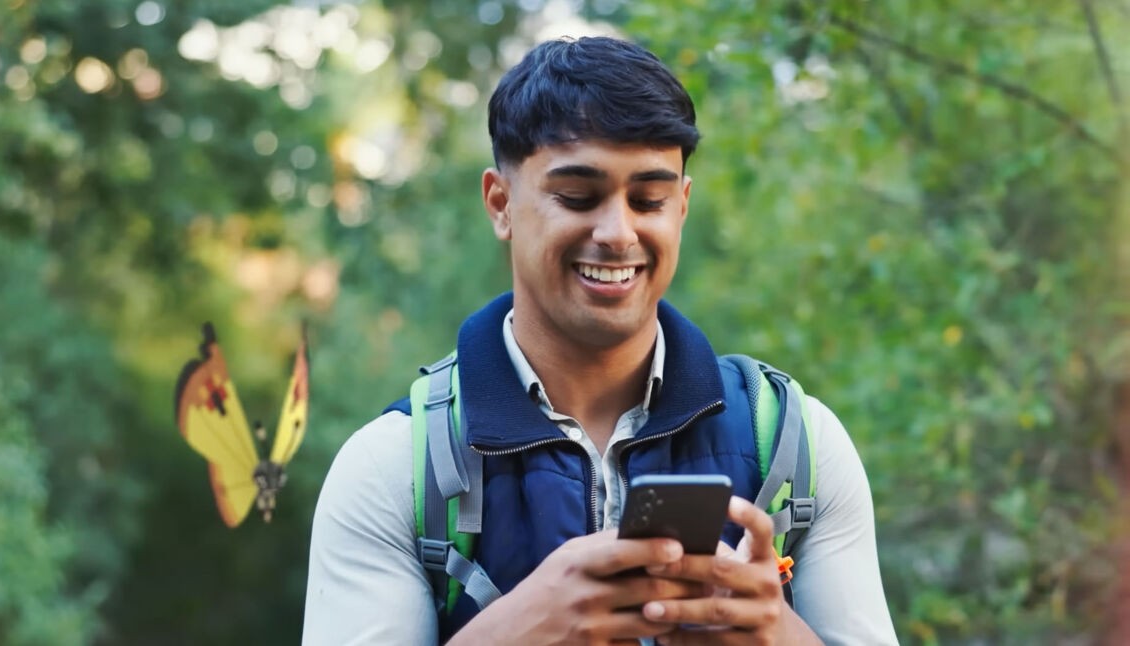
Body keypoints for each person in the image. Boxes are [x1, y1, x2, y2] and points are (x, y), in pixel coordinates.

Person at [303, 35, 897, 645]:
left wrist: (776, 633)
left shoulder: (799, 448)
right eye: (578, 197)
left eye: (649, 199)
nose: (618, 233)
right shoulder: (392, 468)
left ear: (683, 207)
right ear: (501, 203)